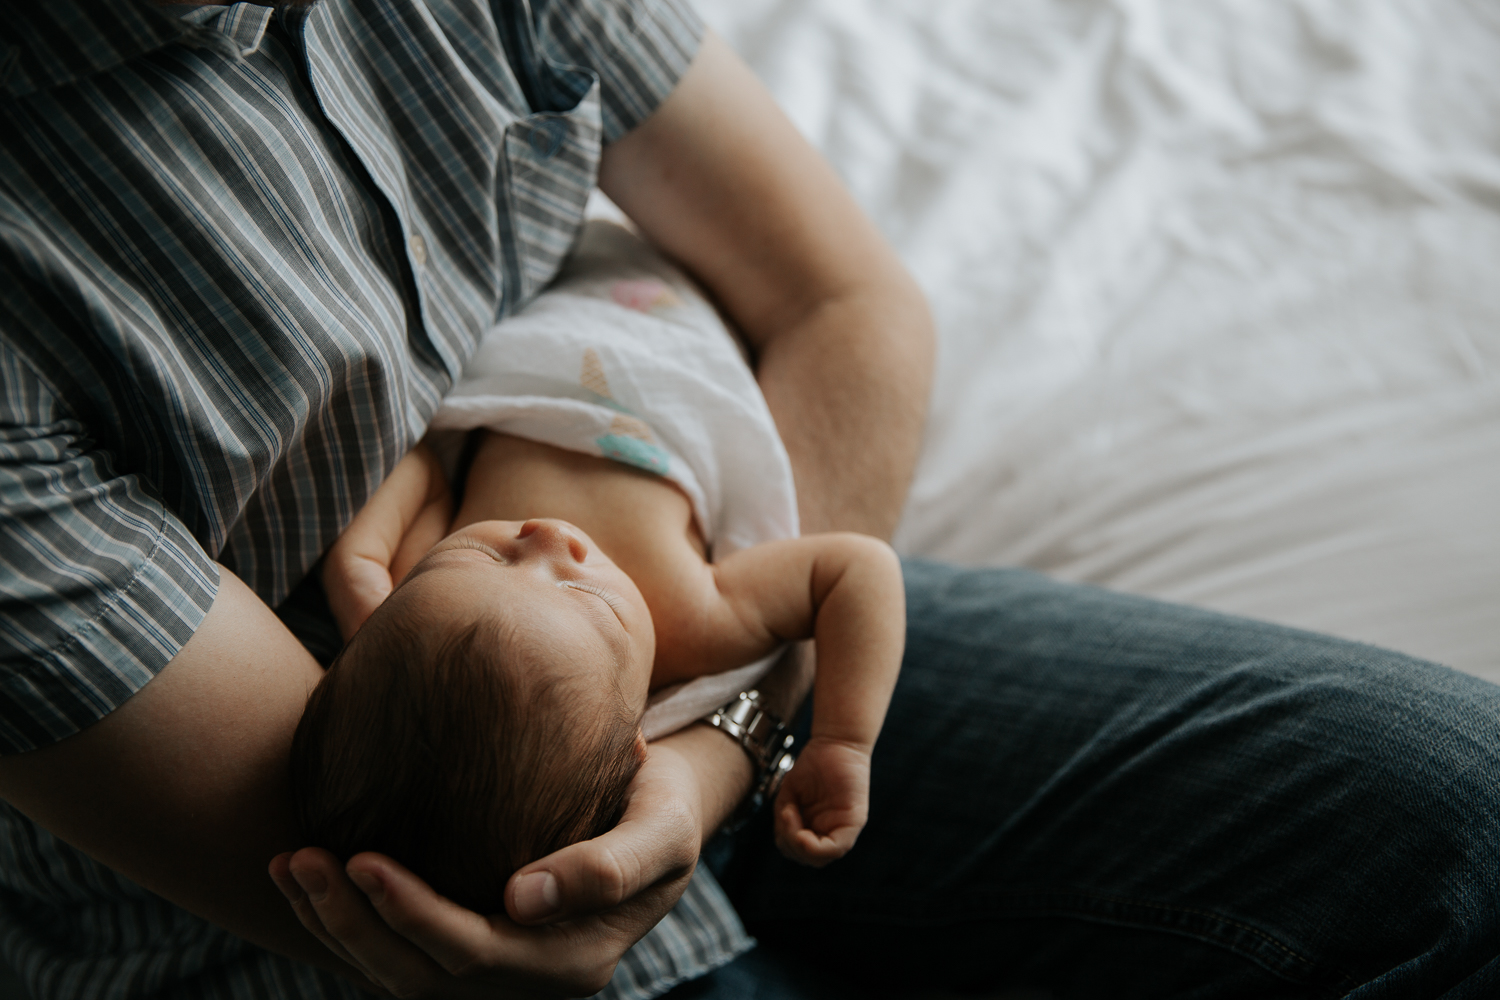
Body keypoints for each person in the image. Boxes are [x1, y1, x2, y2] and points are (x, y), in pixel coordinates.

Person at [1, 3, 1497, 1000]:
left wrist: (735, 748)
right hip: (344, 931)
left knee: (1453, 817)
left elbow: (846, 303)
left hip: (698, 685)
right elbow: (406, 900)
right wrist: (737, 720)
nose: (544, 542)